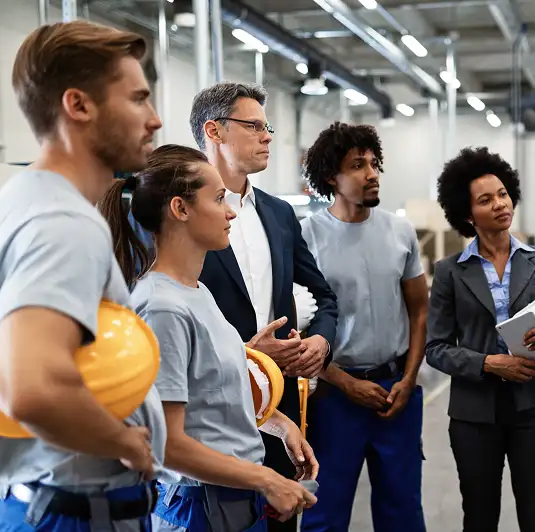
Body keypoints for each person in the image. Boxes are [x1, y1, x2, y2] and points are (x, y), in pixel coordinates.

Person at [0, 20, 166, 530]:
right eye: (138, 100)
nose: (154, 120)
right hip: (74, 512)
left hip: (42, 503)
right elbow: (30, 388)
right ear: (78, 106)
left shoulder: (19, 201)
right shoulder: (62, 222)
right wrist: (124, 441)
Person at [99, 144, 318, 531]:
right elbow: (166, 443)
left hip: (231, 494)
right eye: (218, 199)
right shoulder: (163, 307)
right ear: (180, 209)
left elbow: (212, 394)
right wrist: (267, 479)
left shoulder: (197, 292)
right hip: (200, 503)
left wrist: (280, 424)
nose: (231, 211)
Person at [425, 147, 535, 532]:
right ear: (467, 214)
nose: (500, 204)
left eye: (503, 194)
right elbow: (436, 349)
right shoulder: (449, 273)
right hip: (474, 414)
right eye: (485, 200)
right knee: (479, 517)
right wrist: (489, 363)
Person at [190, 82, 338, 532]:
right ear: (213, 131)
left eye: (266, 126)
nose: (268, 135)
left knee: (280, 519)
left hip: (279, 408)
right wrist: (248, 356)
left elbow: (325, 295)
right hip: (209, 414)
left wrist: (320, 340)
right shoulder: (184, 214)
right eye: (254, 126)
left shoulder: (278, 214)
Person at [298, 123, 428, 532]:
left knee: (403, 510)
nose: (371, 173)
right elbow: (299, 325)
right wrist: (343, 382)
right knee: (325, 510)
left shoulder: (401, 232)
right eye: (357, 165)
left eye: (373, 163)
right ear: (331, 179)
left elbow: (419, 311)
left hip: (397, 395)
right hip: (336, 398)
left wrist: (408, 380)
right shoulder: (307, 236)